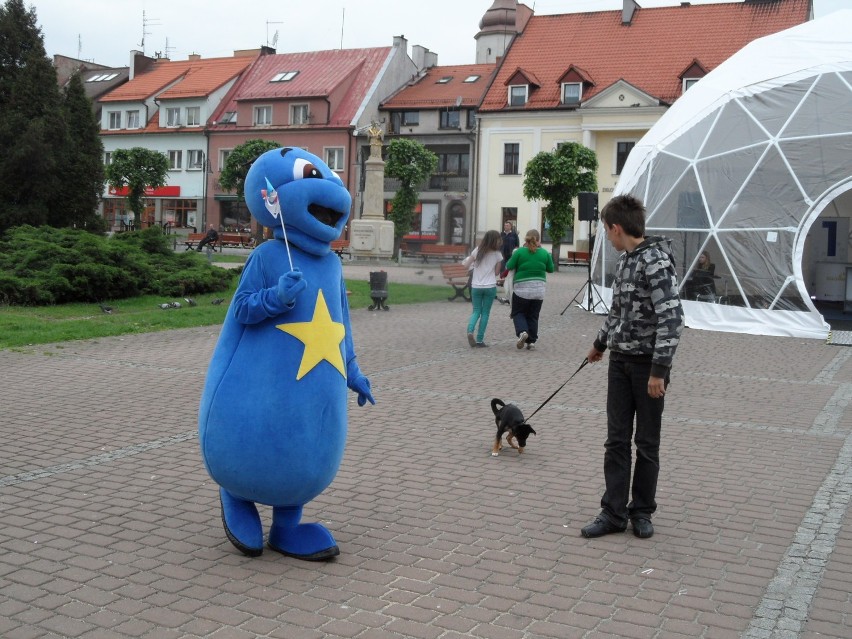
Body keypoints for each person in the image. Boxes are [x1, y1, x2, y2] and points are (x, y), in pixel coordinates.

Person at [581, 194, 684, 540]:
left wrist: (659, 371)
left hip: (648, 368)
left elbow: (672, 318)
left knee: (647, 443)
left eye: (607, 232)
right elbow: (617, 311)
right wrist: (599, 344)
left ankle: (641, 511)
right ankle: (613, 513)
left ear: (617, 228)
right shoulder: (627, 261)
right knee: (616, 441)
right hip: (620, 362)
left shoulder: (655, 262)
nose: (607, 238)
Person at [505, 229, 554, 351]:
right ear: (539, 240)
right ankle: (531, 341)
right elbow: (551, 269)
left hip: (521, 289)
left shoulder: (519, 252)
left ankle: (522, 332)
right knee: (533, 316)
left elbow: (509, 266)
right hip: (539, 290)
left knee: (518, 313)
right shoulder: (544, 253)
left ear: (526, 239)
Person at [462, 230, 504, 347]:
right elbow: (496, 272)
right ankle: (480, 340)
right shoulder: (497, 254)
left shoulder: (477, 250)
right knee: (485, 313)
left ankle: (470, 331)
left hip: (476, 286)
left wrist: (474, 266)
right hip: (490, 286)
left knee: (476, 311)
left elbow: (465, 265)